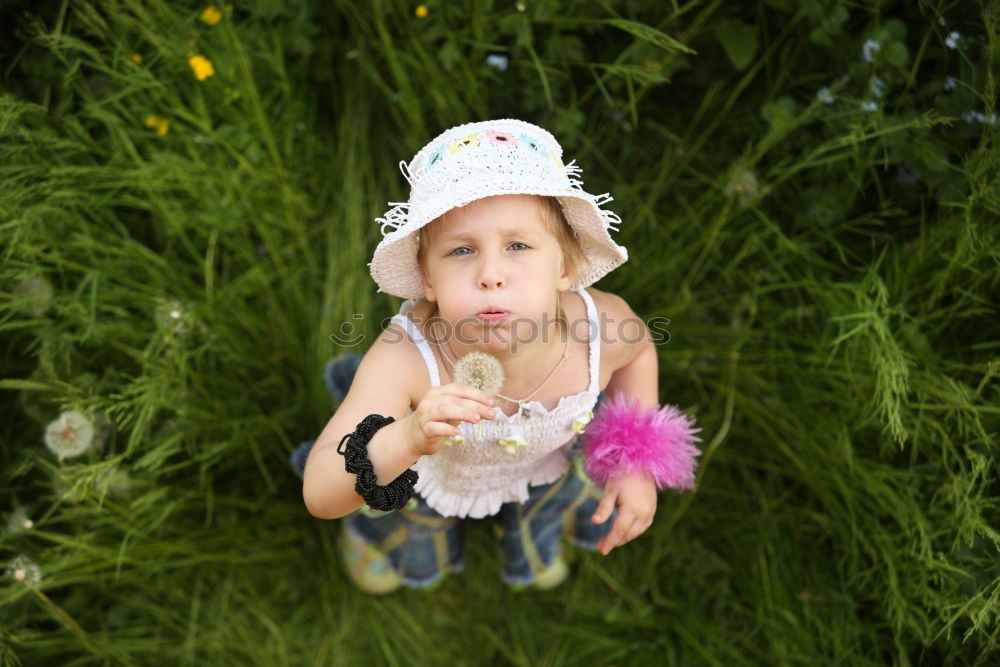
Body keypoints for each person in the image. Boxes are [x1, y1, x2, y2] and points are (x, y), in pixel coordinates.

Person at [298, 119, 700, 594]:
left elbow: (636, 354)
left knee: (551, 500)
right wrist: (405, 438)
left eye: (518, 246)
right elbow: (320, 491)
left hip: (539, 463)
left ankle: (533, 533)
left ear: (565, 267)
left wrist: (635, 460)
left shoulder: (599, 330)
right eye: (462, 250)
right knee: (405, 518)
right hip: (430, 476)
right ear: (428, 279)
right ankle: (379, 539)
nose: (491, 274)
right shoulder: (406, 358)